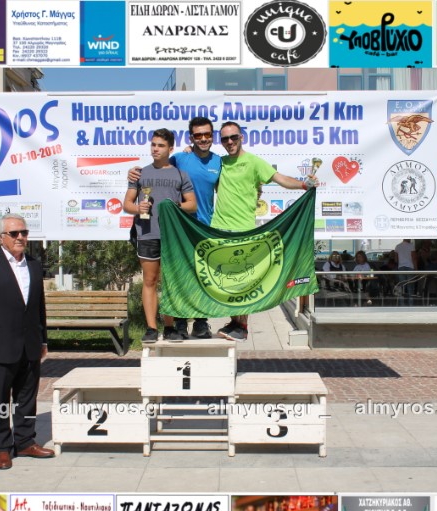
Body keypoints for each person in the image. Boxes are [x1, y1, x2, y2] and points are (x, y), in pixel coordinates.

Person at [211, 121, 319, 342]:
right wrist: (188, 151)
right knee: (228, 280)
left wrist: (304, 185)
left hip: (243, 229)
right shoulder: (219, 162)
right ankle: (234, 322)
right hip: (219, 228)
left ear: (241, 137)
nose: (229, 142)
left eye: (233, 137)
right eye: (225, 139)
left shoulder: (254, 162)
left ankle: (242, 327)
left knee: (242, 281)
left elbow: (282, 180)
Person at [0, 213, 53, 470]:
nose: (20, 237)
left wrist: (43, 340)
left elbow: (38, 306)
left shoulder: (33, 264)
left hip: (30, 344)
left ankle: (25, 442)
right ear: (1, 237)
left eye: (24, 232)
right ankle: (2, 447)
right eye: (14, 233)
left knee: (27, 398)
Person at [129, 117, 221, 339]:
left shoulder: (220, 162)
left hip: (202, 227)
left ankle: (200, 322)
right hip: (170, 231)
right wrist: (137, 204)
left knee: (196, 278)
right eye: (198, 135)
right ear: (191, 138)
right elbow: (129, 201)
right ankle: (171, 326)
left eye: (207, 134)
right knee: (163, 280)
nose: (203, 138)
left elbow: (195, 201)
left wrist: (256, 189)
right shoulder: (179, 159)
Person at [124, 128, 197, 343]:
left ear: (170, 149)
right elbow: (127, 204)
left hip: (172, 235)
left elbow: (192, 205)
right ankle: (151, 328)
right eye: (153, 144)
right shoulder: (139, 174)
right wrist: (138, 208)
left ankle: (170, 327)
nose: (156, 149)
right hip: (147, 233)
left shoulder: (181, 175)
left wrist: (176, 206)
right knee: (150, 280)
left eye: (161, 146)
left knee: (170, 282)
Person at [394, 239, 418, 305]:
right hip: (410, 267)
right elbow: (414, 258)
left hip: (401, 267)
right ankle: (411, 304)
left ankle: (402, 304)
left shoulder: (397, 246)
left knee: (401, 286)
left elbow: (396, 260)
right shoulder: (411, 246)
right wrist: (416, 269)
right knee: (410, 287)